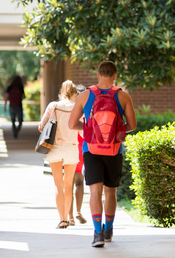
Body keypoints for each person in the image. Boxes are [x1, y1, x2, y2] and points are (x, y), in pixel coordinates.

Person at [68, 61, 137, 247]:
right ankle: (109, 231)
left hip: (91, 149)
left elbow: (72, 124)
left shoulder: (84, 96)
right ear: (115, 76)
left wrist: (90, 130)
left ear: (98, 75)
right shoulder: (123, 97)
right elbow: (132, 125)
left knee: (95, 192)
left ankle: (98, 234)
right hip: (115, 150)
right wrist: (114, 134)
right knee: (111, 192)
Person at [39, 80, 79, 229]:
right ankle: (68, 219)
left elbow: (41, 126)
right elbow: (82, 130)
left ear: (62, 92)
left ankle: (62, 219)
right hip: (71, 148)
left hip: (55, 147)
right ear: (74, 94)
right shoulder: (78, 108)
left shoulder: (53, 106)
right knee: (69, 185)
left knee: (58, 184)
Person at [68, 85, 87, 226]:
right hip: (81, 149)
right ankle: (78, 211)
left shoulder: (68, 110)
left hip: (68, 148)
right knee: (79, 183)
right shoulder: (86, 111)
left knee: (68, 183)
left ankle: (70, 216)